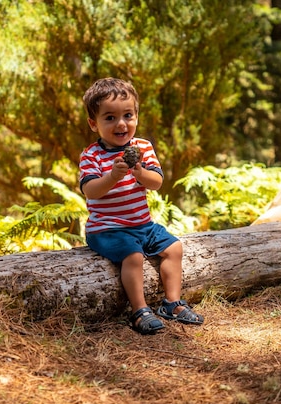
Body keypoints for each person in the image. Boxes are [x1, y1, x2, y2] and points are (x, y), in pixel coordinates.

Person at [79, 77, 204, 335]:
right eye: (110, 118)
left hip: (142, 225)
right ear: (94, 123)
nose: (121, 123)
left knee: (174, 247)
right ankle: (139, 310)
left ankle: (172, 303)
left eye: (127, 115)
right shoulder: (92, 155)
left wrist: (139, 173)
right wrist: (112, 176)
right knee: (134, 257)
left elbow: (157, 182)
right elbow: (91, 191)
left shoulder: (143, 147)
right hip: (107, 229)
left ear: (136, 116)